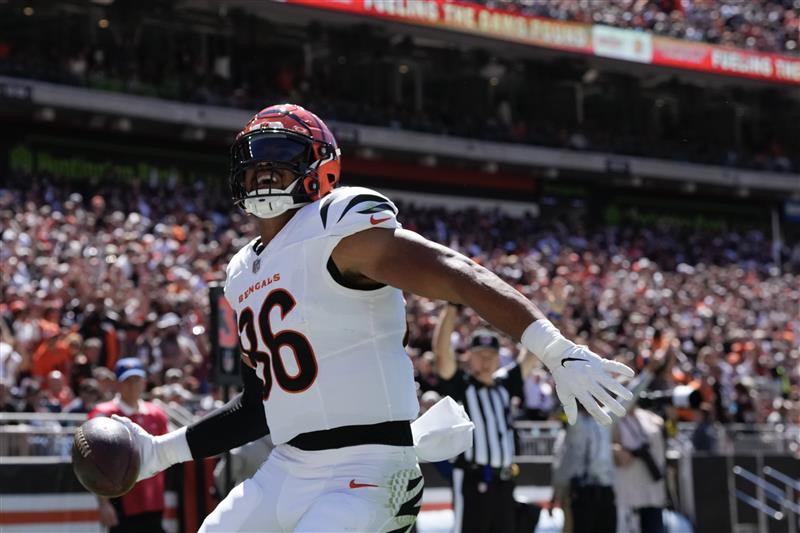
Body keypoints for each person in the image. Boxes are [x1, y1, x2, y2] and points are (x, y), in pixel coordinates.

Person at [113, 103, 634, 532]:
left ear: (323, 170)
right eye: (253, 162)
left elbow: (453, 271)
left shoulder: (337, 224)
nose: (263, 172)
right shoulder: (242, 272)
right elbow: (258, 407)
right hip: (288, 467)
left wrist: (552, 347)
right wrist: (160, 453)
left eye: (281, 158)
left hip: (367, 468)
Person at [432, 303, 539, 533]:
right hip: (472, 479)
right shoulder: (462, 386)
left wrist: (543, 317)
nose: (486, 360)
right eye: (479, 354)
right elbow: (441, 355)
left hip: (504, 481)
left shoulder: (504, 385)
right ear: (468, 357)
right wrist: (451, 308)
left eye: (491, 355)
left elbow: (532, 355)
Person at [89, 358, 169, 533]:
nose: (133, 386)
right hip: (121, 503)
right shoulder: (104, 415)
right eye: (127, 381)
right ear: (117, 384)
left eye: (136, 380)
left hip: (153, 501)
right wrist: (103, 503)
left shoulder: (157, 414)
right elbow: (94, 463)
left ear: (144, 382)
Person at [552, 406, 617, 533]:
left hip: (604, 489)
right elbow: (560, 461)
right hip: (579, 490)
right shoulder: (574, 423)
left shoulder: (604, 420)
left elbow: (628, 398)